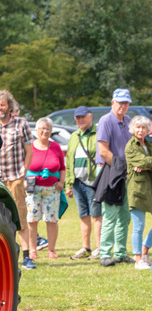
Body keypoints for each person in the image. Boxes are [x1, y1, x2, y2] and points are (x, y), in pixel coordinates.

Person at [96, 88, 134, 266]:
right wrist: (121, 169)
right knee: (110, 213)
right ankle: (105, 253)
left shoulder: (128, 121)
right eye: (120, 102)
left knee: (125, 215)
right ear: (113, 102)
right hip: (110, 171)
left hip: (126, 173)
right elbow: (103, 151)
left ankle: (120, 252)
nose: (123, 106)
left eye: (126, 103)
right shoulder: (106, 120)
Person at [0, 90, 34, 255]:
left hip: (15, 177)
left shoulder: (21, 123)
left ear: (9, 107)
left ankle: (26, 255)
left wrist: (23, 172)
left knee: (20, 215)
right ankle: (6, 254)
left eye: (2, 104)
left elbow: (29, 151)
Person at [23, 117, 65, 268]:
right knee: (32, 219)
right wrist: (23, 180)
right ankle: (32, 249)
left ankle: (51, 250)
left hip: (52, 189)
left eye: (48, 129)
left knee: (52, 219)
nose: (45, 131)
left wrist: (61, 182)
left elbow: (62, 168)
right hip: (33, 188)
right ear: (37, 130)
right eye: (42, 128)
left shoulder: (55, 147)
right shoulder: (30, 147)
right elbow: (23, 166)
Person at [64, 106, 102, 260]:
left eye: (83, 117)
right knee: (83, 215)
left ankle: (100, 249)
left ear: (90, 117)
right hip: (77, 182)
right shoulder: (74, 135)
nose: (80, 120)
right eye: (77, 118)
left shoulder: (98, 133)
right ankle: (86, 247)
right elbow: (69, 161)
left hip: (93, 181)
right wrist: (68, 184)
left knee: (96, 215)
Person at [124, 115, 152, 270]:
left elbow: (144, 162)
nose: (140, 130)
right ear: (133, 129)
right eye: (138, 127)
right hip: (137, 190)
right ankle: (138, 259)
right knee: (138, 226)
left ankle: (145, 249)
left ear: (148, 130)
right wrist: (146, 163)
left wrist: (146, 164)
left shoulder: (148, 145)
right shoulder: (131, 146)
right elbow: (141, 161)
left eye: (143, 127)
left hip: (150, 189)